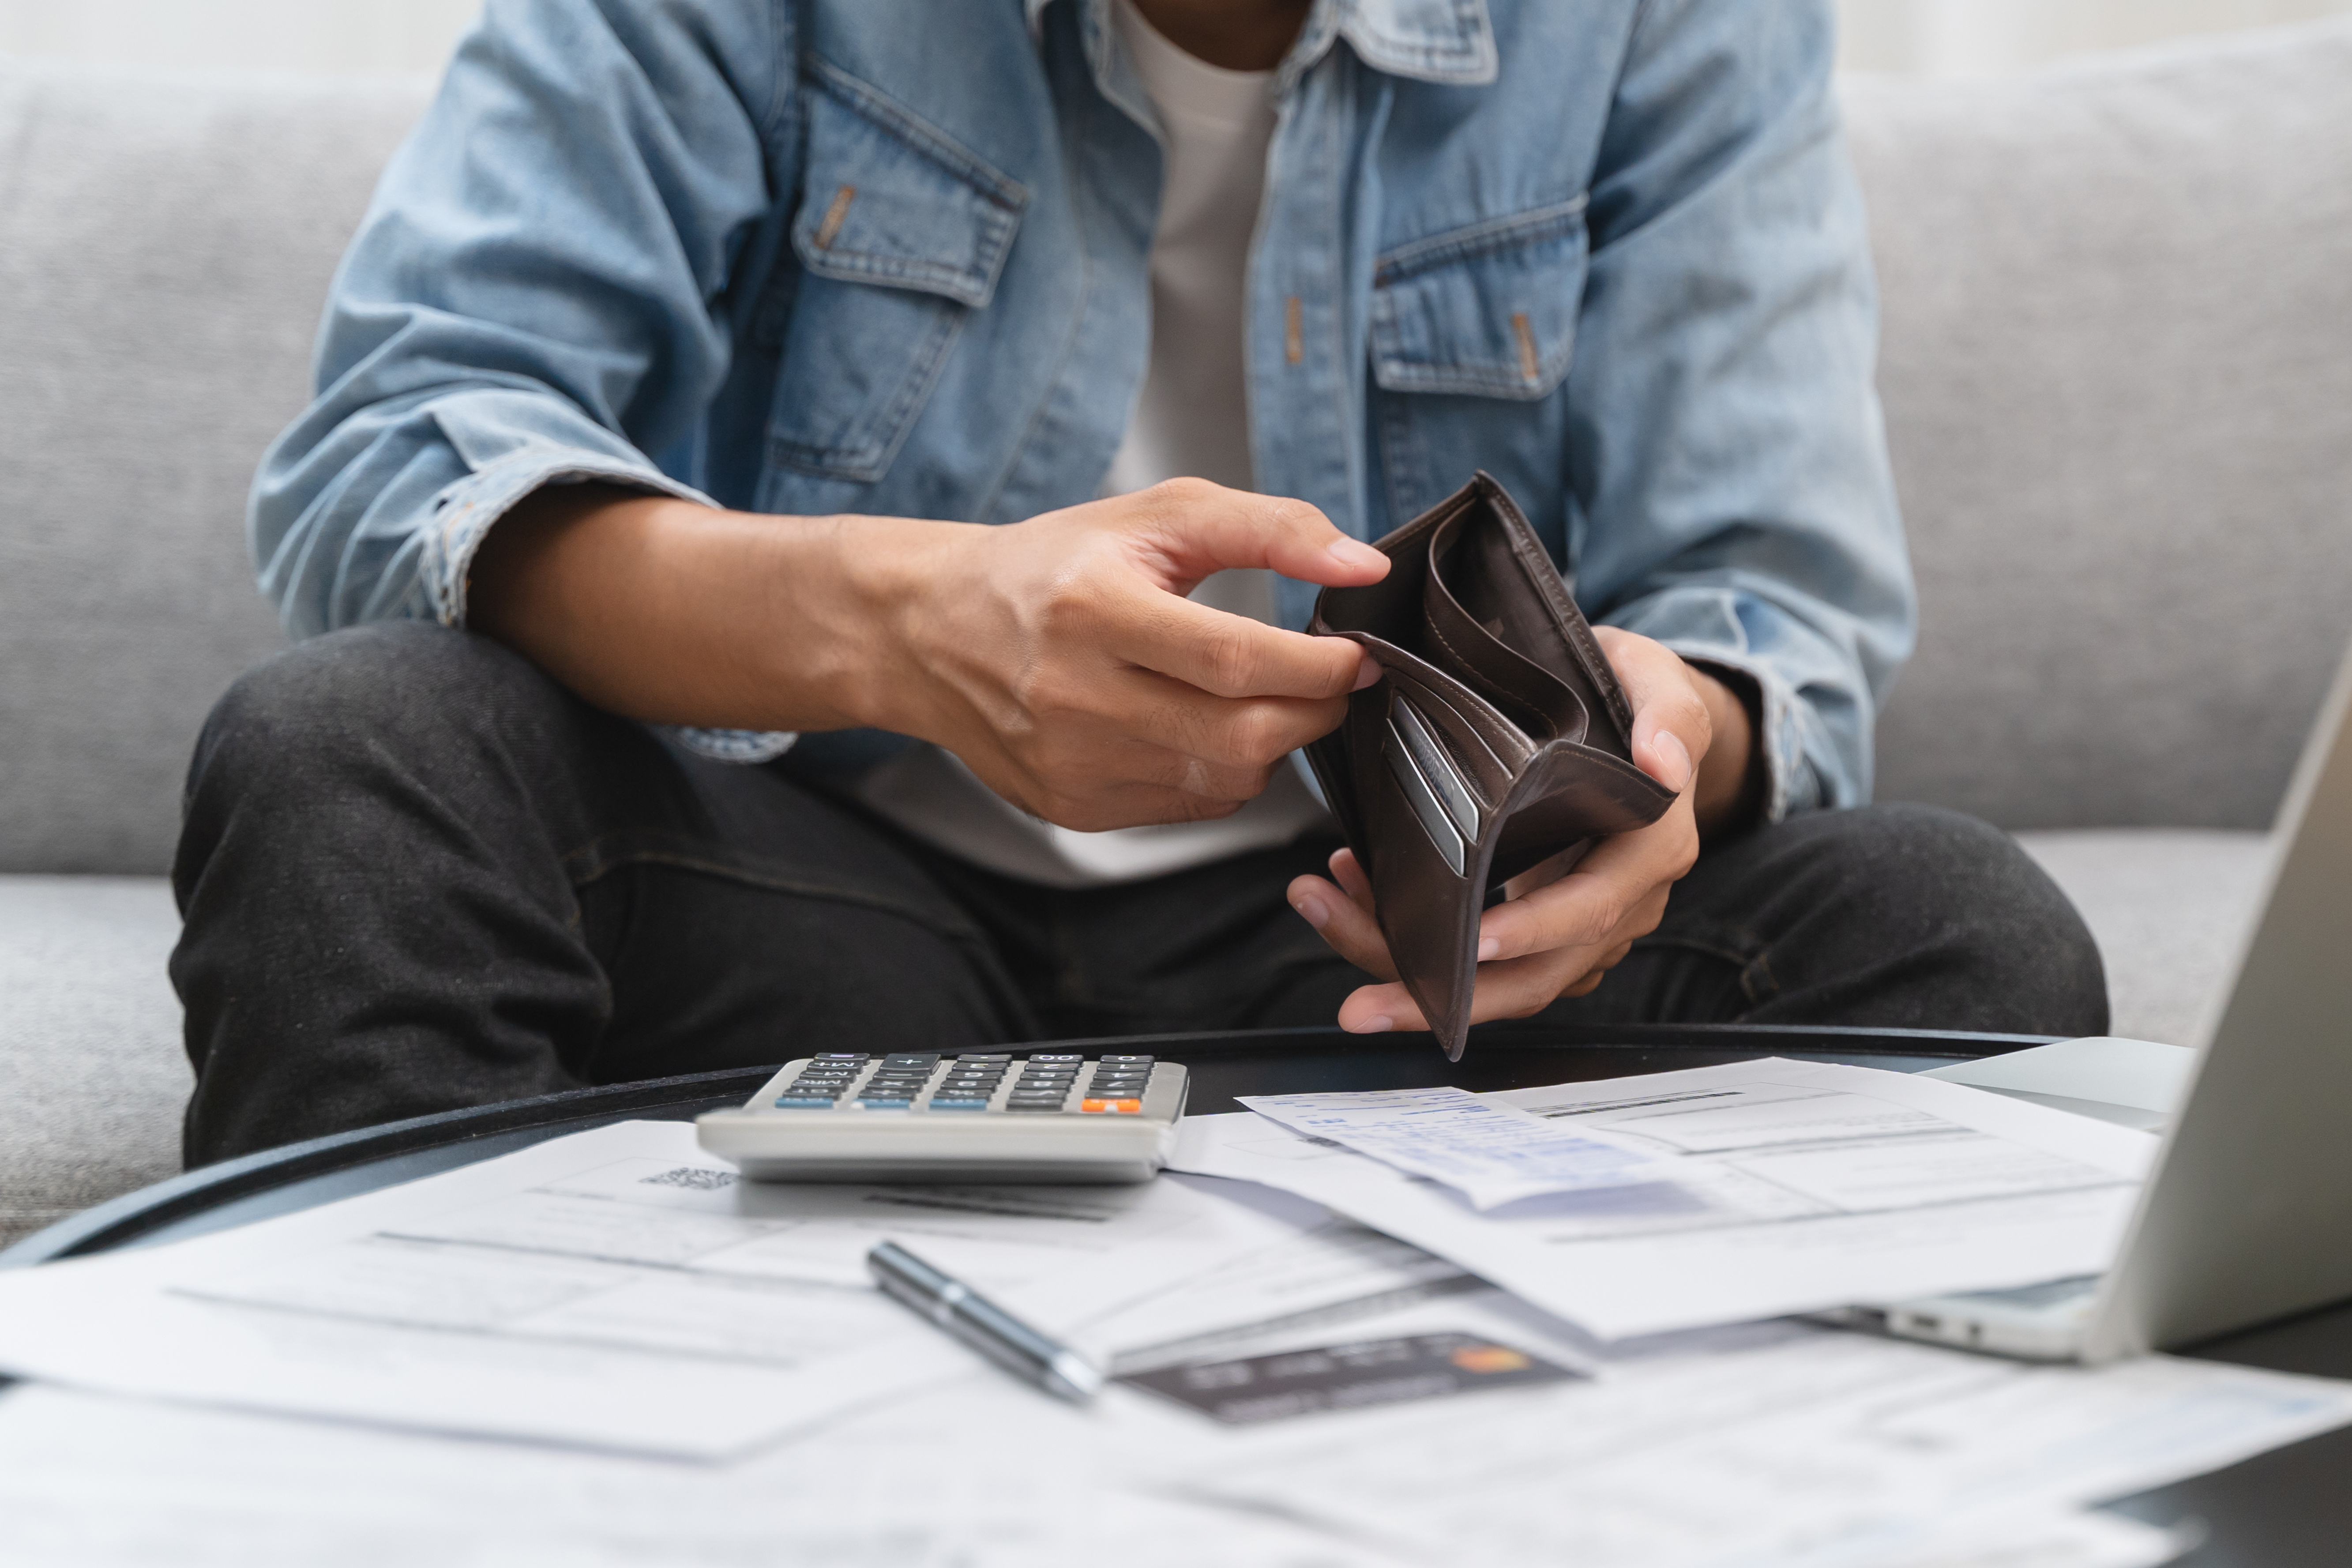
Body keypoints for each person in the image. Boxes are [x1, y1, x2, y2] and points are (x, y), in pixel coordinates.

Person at [171, 0, 2107, 1164]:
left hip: (1371, 982)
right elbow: (397, 453)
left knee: (1952, 931)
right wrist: (903, 627)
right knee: (348, 754)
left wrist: (1660, 750)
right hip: (818, 905)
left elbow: (1764, 600)